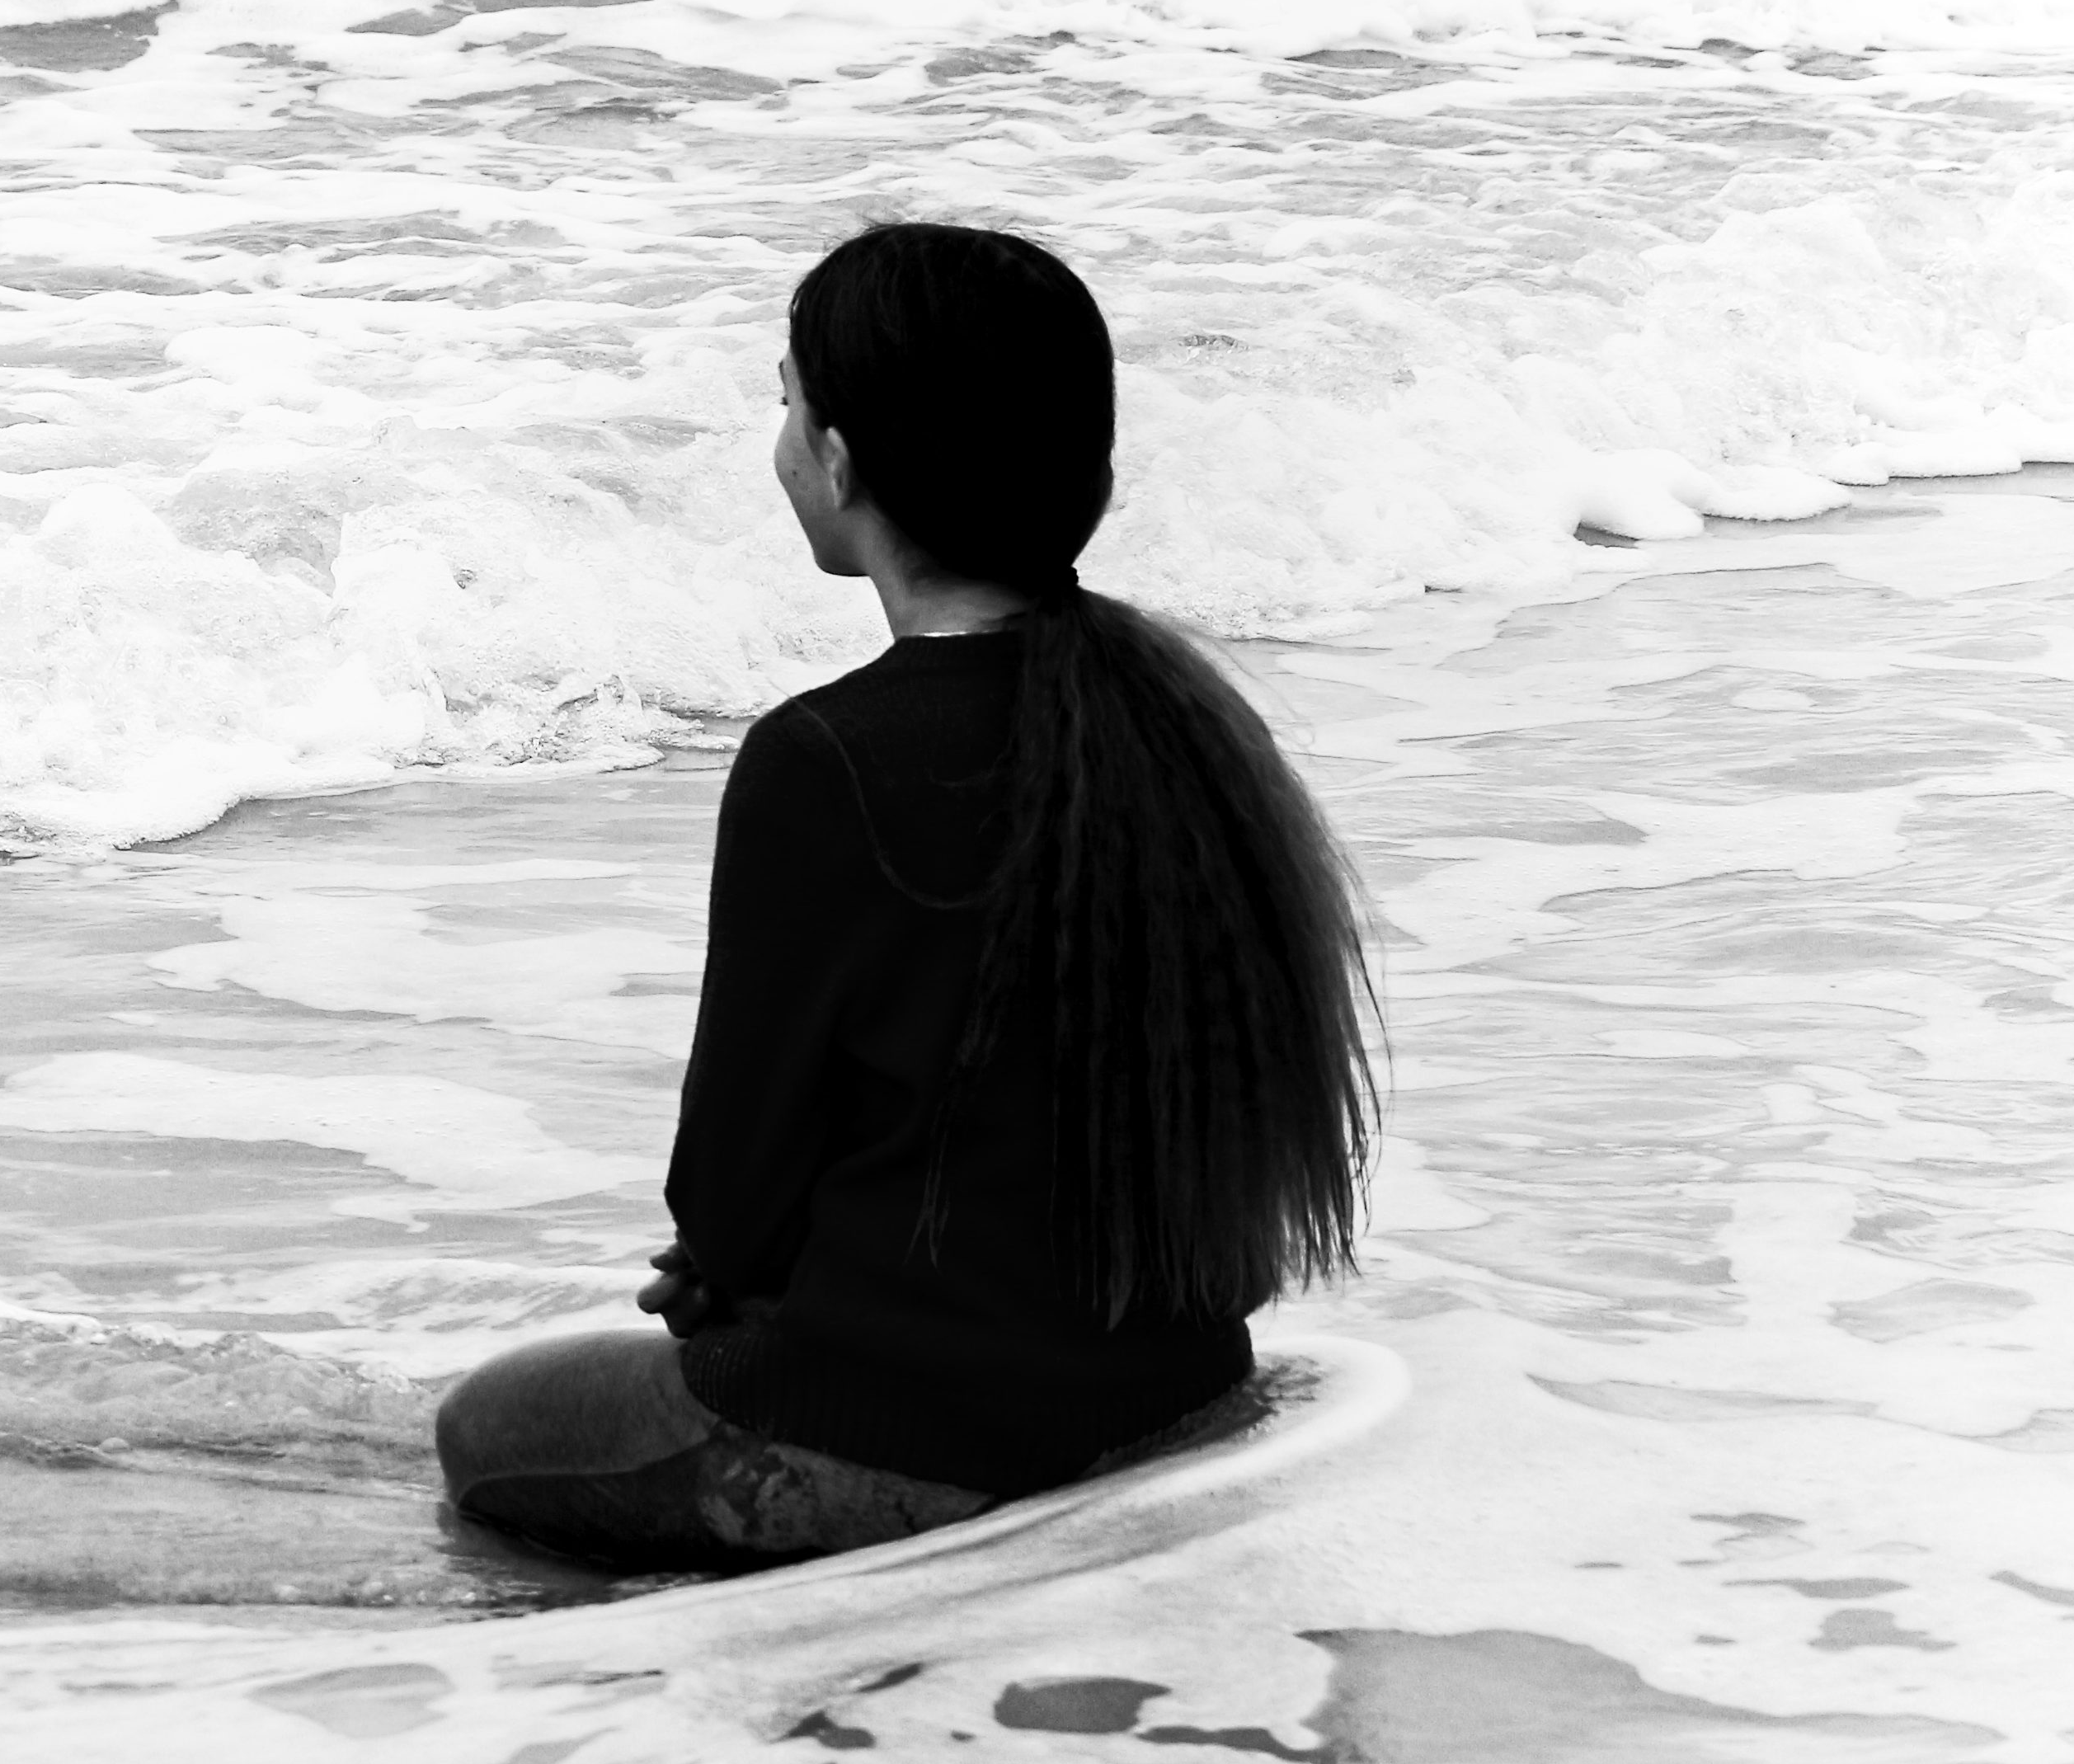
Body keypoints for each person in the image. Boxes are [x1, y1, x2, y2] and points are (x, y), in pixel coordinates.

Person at [432, 221, 1376, 1573]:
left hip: (907, 1445)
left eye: (785, 404)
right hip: (1166, 1393)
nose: (786, 441)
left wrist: (720, 1276)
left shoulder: (823, 757)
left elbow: (729, 1192)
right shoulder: (1189, 722)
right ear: (1090, 477)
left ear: (839, 459)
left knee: (487, 1428)